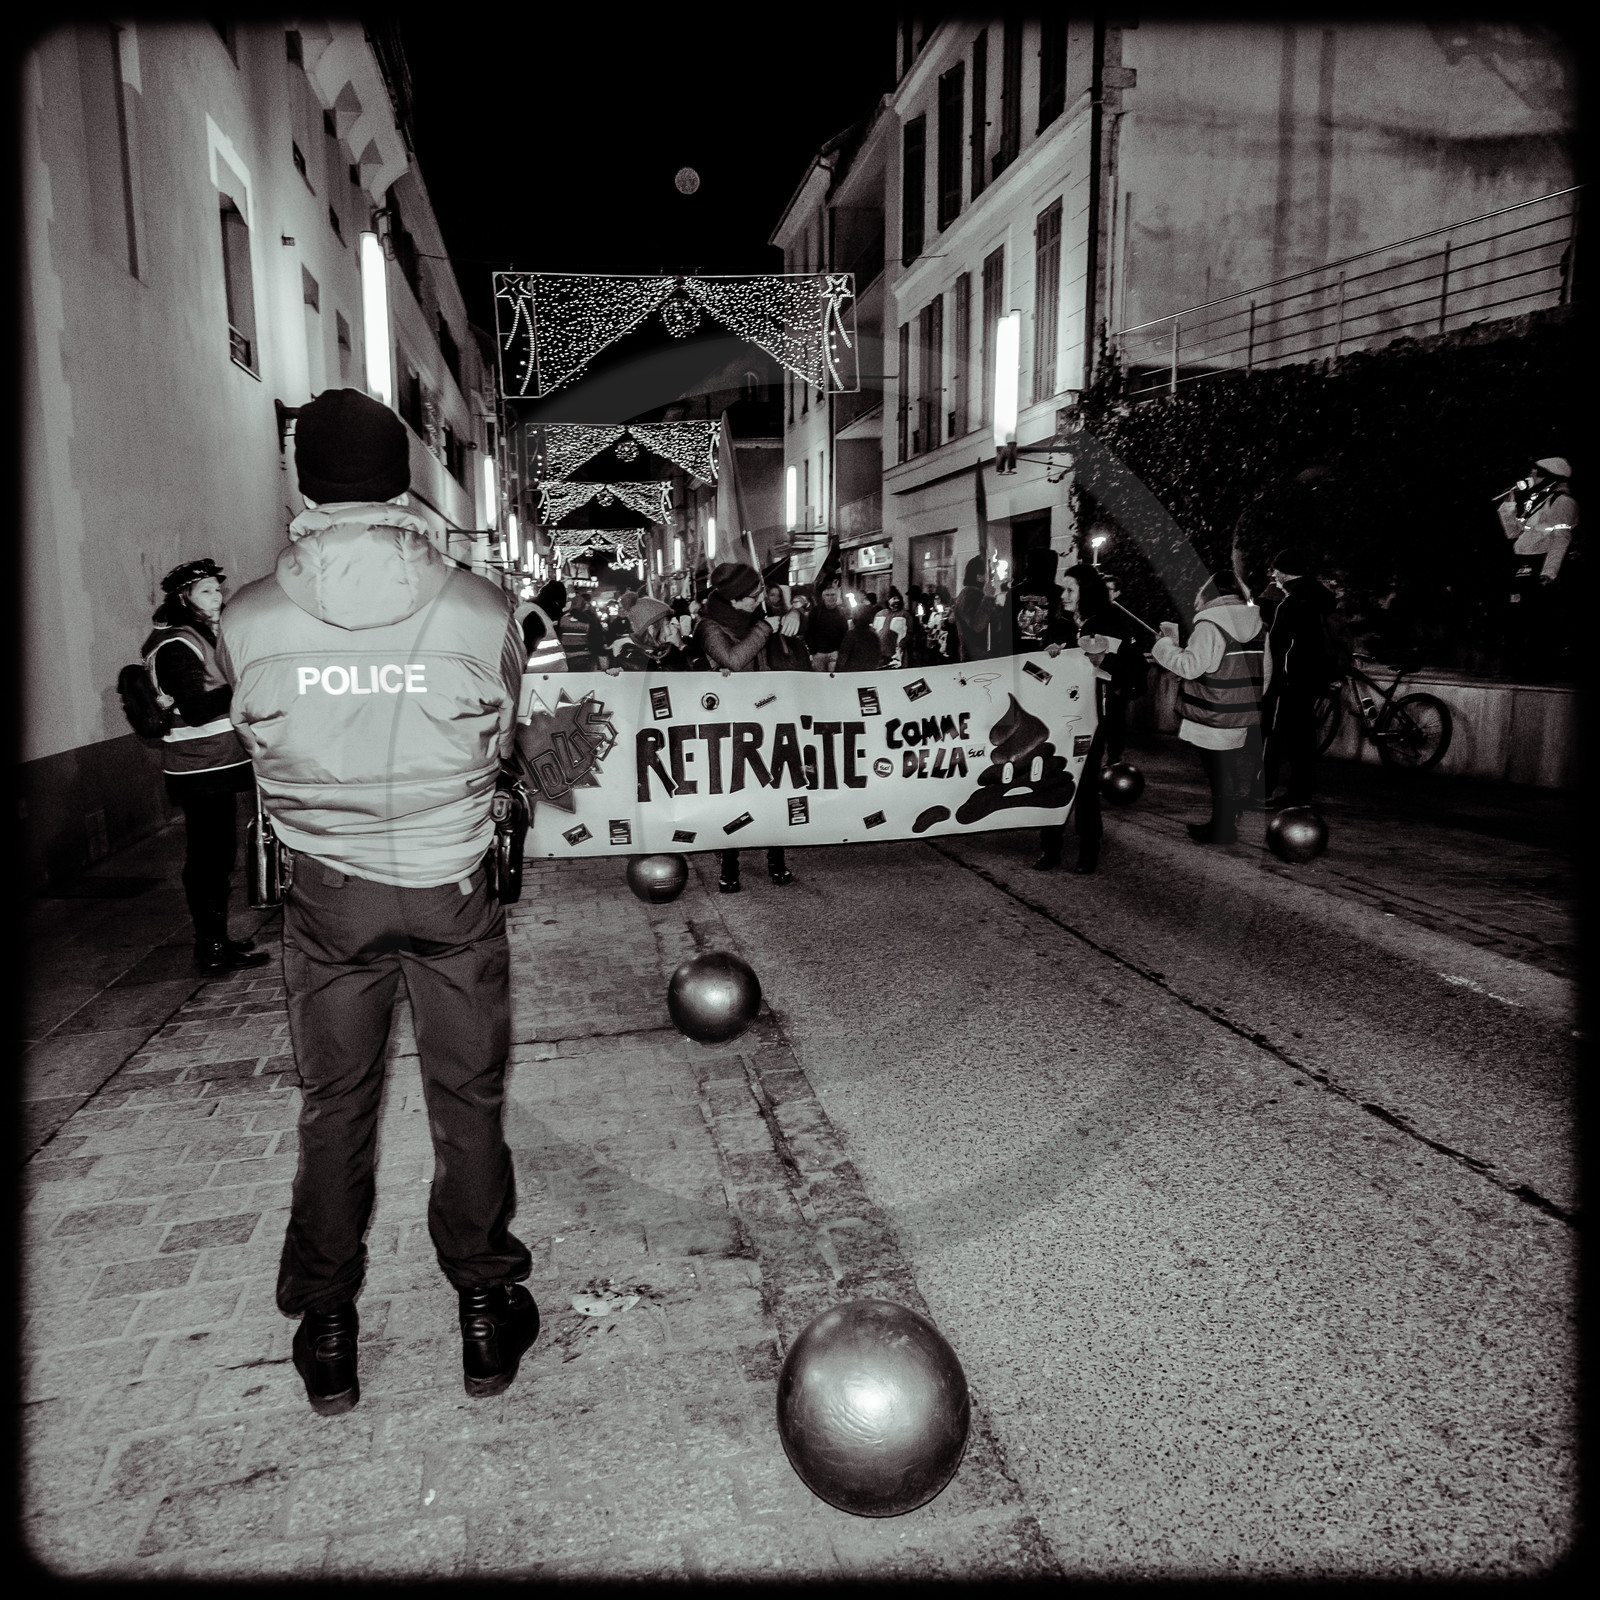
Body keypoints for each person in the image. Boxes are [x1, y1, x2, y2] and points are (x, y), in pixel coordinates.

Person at [217, 388, 537, 1417]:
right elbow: (501, 739)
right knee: (468, 1101)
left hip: (328, 894)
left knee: (334, 1108)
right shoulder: (479, 608)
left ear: (302, 479)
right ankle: (485, 1311)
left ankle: (326, 1329)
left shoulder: (246, 617)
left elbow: (256, 749)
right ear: (402, 476)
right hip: (448, 885)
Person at [143, 560, 273, 976]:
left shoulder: (204, 637)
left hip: (217, 763)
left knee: (219, 854)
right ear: (185, 600)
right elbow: (197, 709)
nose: (217, 599)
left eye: (218, 591)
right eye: (206, 593)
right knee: (207, 858)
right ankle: (210, 945)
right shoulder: (176, 645)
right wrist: (245, 686)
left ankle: (218, 939)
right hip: (199, 768)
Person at [695, 561, 796, 891]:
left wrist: (793, 612)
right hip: (727, 722)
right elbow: (734, 661)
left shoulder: (754, 617)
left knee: (772, 787)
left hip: (765, 714)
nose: (759, 599)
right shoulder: (709, 627)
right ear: (735, 599)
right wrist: (766, 627)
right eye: (753, 595)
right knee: (733, 792)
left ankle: (776, 857)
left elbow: (792, 614)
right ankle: (730, 862)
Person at [1152, 570, 1270, 846]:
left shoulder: (1210, 625)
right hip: (1241, 710)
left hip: (1210, 711)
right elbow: (1267, 671)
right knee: (1225, 767)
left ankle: (1223, 826)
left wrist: (1164, 645)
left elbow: (1190, 667)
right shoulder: (1259, 625)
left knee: (1217, 770)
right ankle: (1225, 821)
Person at [1259, 547, 1337, 810]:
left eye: (1276, 571)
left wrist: (1280, 680)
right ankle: (1300, 794)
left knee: (1277, 735)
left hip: (1291, 682)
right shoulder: (1321, 599)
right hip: (1314, 679)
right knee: (1302, 738)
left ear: (1284, 573)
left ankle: (1267, 791)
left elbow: (1280, 646)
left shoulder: (1293, 604)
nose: (1274, 576)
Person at [1497, 456, 1577, 678]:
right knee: (1517, 615)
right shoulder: (1537, 500)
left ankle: (1537, 668)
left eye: (1536, 473)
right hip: (1523, 563)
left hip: (1540, 563)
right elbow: (1513, 533)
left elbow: (1561, 537)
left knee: (1537, 619)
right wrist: (1508, 504)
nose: (1531, 477)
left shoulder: (1563, 501)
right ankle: (1517, 665)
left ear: (1551, 477)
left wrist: (1549, 572)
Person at [611, 591, 692, 672]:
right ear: (651, 629)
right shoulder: (631, 660)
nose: (671, 631)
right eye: (667, 625)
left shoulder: (673, 653)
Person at [953, 555, 998, 661]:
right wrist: (988, 598)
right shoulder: (970, 596)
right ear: (979, 577)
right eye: (988, 573)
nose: (992, 575)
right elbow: (977, 625)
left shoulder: (974, 594)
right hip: (976, 658)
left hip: (980, 656)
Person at [763, 582, 814, 672]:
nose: (776, 598)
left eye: (778, 595)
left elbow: (804, 604)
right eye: (772, 595)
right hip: (772, 652)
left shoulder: (789, 611)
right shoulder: (763, 612)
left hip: (790, 649)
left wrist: (796, 611)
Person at [519, 580, 567, 673]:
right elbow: (525, 652)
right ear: (555, 603)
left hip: (540, 677)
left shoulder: (528, 610)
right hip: (537, 677)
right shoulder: (535, 617)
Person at [559, 589, 608, 672]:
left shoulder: (562, 619)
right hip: (586, 658)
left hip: (566, 658)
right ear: (584, 606)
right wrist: (603, 656)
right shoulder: (589, 620)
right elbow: (596, 641)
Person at [806, 581, 848, 672]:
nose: (830, 597)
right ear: (823, 597)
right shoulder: (815, 612)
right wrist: (813, 651)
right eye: (827, 595)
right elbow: (809, 631)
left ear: (836, 596)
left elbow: (845, 632)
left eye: (833, 594)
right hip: (819, 653)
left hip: (835, 652)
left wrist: (840, 650)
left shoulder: (841, 612)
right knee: (821, 681)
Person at [836, 598, 887, 672]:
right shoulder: (873, 636)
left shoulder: (850, 635)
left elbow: (843, 657)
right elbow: (876, 657)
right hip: (868, 672)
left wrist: (838, 672)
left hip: (852, 672)